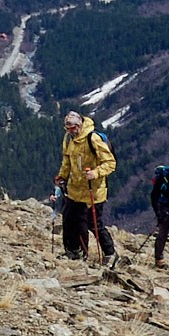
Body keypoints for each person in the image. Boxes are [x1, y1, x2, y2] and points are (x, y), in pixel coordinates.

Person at [54, 109, 117, 263]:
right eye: (67, 128)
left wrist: (95, 173)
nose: (71, 131)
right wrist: (62, 175)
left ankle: (110, 253)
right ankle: (74, 251)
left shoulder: (92, 138)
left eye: (73, 128)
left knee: (93, 223)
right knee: (69, 219)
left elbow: (110, 163)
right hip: (75, 189)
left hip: (93, 190)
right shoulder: (69, 139)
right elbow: (67, 160)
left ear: (80, 125)